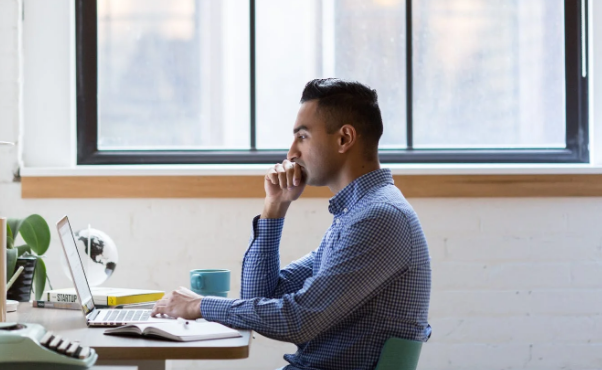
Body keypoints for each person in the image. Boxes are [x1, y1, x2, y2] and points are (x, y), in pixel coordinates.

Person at [152, 78, 432, 370]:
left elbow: (299, 320)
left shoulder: (379, 218)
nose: (291, 153)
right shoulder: (356, 214)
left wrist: (199, 306)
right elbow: (259, 297)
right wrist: (275, 206)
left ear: (344, 139)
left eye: (303, 136)